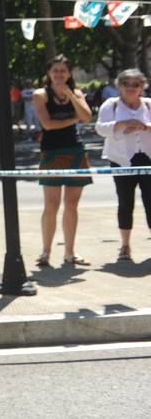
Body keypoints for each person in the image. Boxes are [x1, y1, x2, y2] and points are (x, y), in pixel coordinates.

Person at [32, 55, 93, 268]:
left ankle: (70, 252)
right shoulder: (40, 95)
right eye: (55, 70)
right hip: (52, 151)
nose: (59, 74)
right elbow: (48, 125)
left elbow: (87, 117)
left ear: (69, 74)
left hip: (75, 150)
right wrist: (72, 119)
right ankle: (45, 252)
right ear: (49, 73)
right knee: (51, 204)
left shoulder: (75, 93)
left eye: (63, 71)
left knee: (72, 204)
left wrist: (70, 95)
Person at [95, 68, 151, 262]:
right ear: (119, 86)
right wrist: (123, 123)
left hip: (148, 158)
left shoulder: (149, 105)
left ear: (142, 87)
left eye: (135, 84)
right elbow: (100, 128)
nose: (130, 87)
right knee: (125, 202)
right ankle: (125, 245)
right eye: (126, 83)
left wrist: (143, 126)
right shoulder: (111, 105)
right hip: (121, 159)